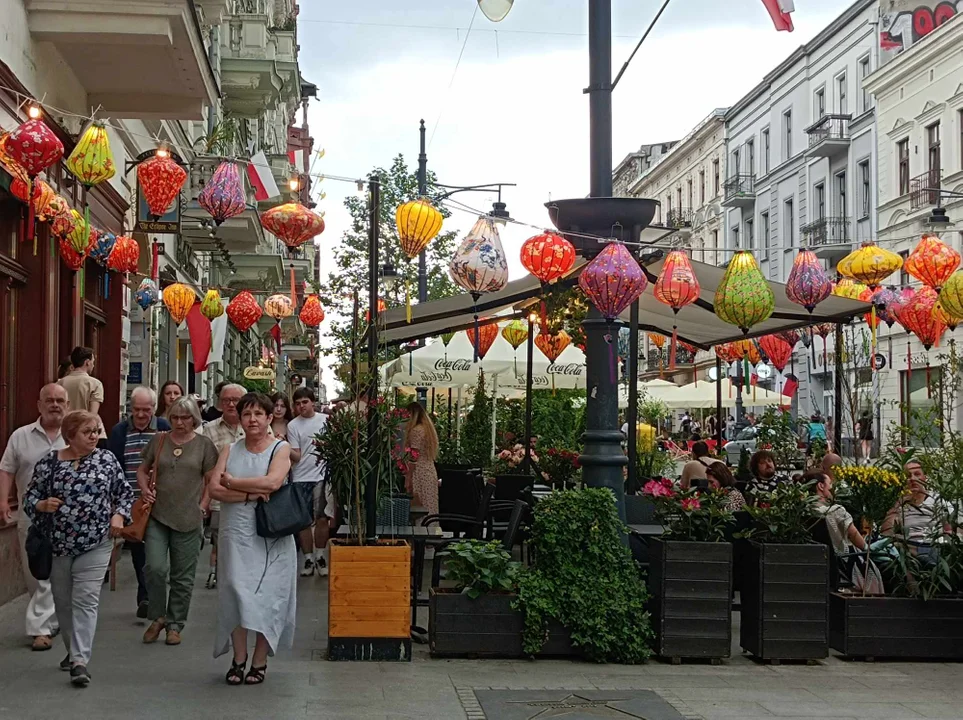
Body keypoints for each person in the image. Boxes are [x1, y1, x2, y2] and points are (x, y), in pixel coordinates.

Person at [23, 410, 132, 686]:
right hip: (58, 543)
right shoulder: (50, 462)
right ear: (70, 436)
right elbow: (30, 496)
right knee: (63, 601)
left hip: (96, 541)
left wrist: (119, 515)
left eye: (96, 430)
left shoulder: (106, 460)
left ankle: (80, 661)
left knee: (85, 599)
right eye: (88, 432)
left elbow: (124, 493)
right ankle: (73, 650)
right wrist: (41, 505)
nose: (95, 436)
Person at [208, 392, 294, 686]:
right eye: (247, 414)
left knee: (267, 596)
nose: (252, 419)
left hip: (271, 536)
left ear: (270, 418)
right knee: (235, 592)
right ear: (240, 419)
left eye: (259, 414)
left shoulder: (279, 449)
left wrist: (232, 482)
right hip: (235, 535)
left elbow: (273, 482)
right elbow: (214, 489)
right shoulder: (229, 450)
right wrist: (249, 494)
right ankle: (238, 658)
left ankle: (260, 661)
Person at [138, 397, 218, 646]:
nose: (181, 422)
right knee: (155, 568)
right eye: (175, 417)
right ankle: (158, 616)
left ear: (194, 419)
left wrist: (203, 505)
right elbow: (143, 469)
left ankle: (175, 624)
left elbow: (210, 480)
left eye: (186, 418)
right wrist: (143, 489)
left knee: (182, 576)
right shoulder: (159, 440)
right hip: (157, 516)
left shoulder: (204, 445)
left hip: (188, 517)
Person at [0, 384, 68, 651]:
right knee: (35, 572)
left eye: (60, 400)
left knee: (59, 573)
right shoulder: (21, 436)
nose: (55, 405)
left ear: (68, 404)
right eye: (49, 400)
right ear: (39, 404)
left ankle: (42, 627)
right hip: (31, 515)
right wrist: (4, 500)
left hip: (68, 518)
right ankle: (46, 622)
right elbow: (6, 469)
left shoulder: (75, 435)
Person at [106, 387, 171, 618]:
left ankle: (154, 595)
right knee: (139, 551)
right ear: (130, 408)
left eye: (146, 409)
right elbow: (113, 467)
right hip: (132, 501)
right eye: (137, 410)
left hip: (161, 501)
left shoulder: (163, 427)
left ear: (154, 408)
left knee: (158, 555)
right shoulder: (120, 431)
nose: (142, 414)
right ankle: (145, 597)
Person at [200, 383, 251, 589]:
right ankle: (219, 575)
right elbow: (205, 467)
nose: (230, 404)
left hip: (250, 496)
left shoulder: (254, 425)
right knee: (220, 539)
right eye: (226, 400)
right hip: (220, 498)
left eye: (235, 400)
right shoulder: (209, 429)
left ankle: (243, 577)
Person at [286, 388, 331, 577]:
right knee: (303, 522)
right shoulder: (293, 425)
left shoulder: (326, 420)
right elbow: (296, 454)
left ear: (313, 402)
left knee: (322, 518)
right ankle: (308, 558)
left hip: (321, 475)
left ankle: (320, 555)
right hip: (300, 477)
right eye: (297, 403)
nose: (301, 406)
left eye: (304, 402)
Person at [810, 470, 866, 554]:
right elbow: (859, 541)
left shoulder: (800, 512)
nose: (832, 488)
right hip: (840, 562)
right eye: (830, 483)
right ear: (821, 486)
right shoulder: (835, 511)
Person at [403, 401, 440, 515]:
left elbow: (414, 455)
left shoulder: (416, 430)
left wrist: (408, 478)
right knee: (430, 506)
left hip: (419, 473)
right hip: (429, 470)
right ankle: (431, 530)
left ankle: (421, 531)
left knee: (419, 508)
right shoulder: (427, 429)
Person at [58, 347, 105, 435]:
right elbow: (93, 415)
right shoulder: (95, 384)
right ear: (87, 362)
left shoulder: (60, 383)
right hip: (85, 432)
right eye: (93, 362)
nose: (93, 365)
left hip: (64, 431)